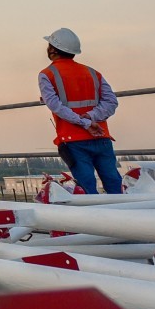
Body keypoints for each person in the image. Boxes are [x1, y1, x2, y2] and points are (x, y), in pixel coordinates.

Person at [39, 28, 121, 195]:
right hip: (101, 136)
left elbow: (56, 106)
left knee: (87, 189)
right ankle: (124, 211)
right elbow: (111, 102)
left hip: (73, 140)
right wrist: (92, 116)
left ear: (53, 49)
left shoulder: (47, 74)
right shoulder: (92, 73)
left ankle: (96, 213)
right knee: (114, 184)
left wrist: (85, 122)